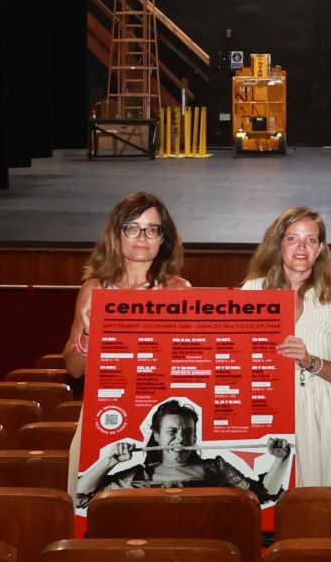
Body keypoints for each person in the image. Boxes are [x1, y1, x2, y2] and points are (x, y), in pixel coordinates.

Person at [64, 192, 192, 502]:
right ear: (116, 234)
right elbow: (73, 369)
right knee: (92, 518)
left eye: (152, 229)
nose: (142, 237)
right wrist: (89, 337)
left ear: (164, 239)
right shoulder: (94, 289)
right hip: (104, 416)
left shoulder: (179, 290)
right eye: (132, 227)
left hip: (159, 422)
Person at [241, 206, 331, 487]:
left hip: (316, 413)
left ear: (321, 248)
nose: (301, 248)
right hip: (263, 411)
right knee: (262, 499)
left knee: (312, 509)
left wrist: (310, 360)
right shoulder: (252, 291)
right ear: (278, 244)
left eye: (310, 240)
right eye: (292, 239)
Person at [75, 399, 291, 508]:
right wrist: (109, 461)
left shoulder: (216, 469)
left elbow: (262, 495)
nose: (181, 439)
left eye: (188, 432)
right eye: (172, 431)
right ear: (157, 436)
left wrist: (281, 458)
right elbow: (80, 496)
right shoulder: (136, 476)